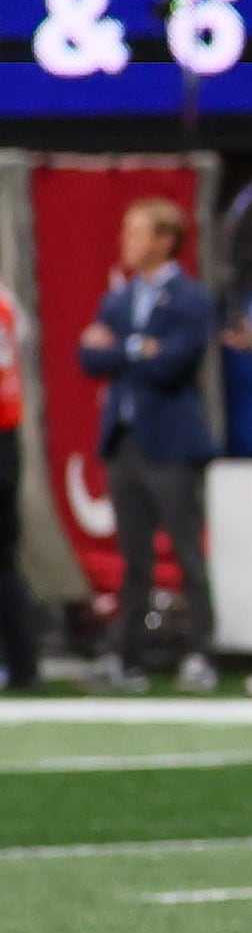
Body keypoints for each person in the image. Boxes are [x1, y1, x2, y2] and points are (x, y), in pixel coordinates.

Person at [80, 198, 217, 692]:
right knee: (132, 558)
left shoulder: (190, 299)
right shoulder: (118, 299)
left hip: (173, 442)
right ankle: (126, 656)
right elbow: (89, 357)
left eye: (137, 233)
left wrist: (122, 350)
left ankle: (201, 653)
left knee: (186, 552)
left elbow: (173, 363)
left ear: (164, 240)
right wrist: (138, 348)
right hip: (125, 439)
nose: (127, 242)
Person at [0, 269, 35, 690]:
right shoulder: (7, 300)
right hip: (8, 438)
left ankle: (22, 663)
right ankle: (23, 662)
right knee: (6, 560)